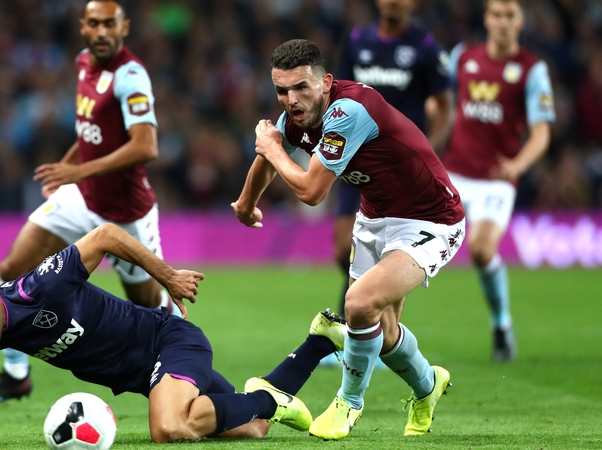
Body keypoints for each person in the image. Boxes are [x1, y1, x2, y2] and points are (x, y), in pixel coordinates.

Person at [0, 223, 348, 445]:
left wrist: (166, 276)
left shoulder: (42, 287)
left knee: (170, 429)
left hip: (170, 342)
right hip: (149, 376)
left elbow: (104, 235)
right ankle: (318, 340)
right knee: (250, 430)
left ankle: (269, 399)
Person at [231, 39, 466, 440]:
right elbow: (269, 156)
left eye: (301, 87)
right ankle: (428, 386)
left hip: (431, 220)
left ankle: (348, 404)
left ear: (325, 82)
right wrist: (245, 202)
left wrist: (271, 148)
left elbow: (311, 191)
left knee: (358, 304)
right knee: (383, 331)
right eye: (282, 91)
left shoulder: (347, 112)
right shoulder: (299, 115)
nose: (291, 99)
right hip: (375, 217)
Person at [0, 0, 177, 408]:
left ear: (124, 27)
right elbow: (91, 131)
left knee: (150, 308)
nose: (101, 32)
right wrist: (65, 168)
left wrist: (77, 173)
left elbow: (146, 145)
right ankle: (15, 375)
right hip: (81, 194)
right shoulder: (84, 63)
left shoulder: (130, 76)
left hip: (127, 211)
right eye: (94, 23)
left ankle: (182, 365)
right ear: (83, 26)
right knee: (12, 269)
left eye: (109, 25)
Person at [441, 0, 554, 362]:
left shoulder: (531, 70)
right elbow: (441, 106)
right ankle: (382, 335)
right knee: (407, 244)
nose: (503, 22)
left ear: (520, 21)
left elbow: (541, 132)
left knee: (481, 249)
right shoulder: (461, 57)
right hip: (453, 172)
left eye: (510, 15)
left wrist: (518, 164)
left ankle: (501, 323)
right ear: (487, 19)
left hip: (495, 179)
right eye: (497, 15)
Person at [331, 0, 454, 320]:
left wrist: (427, 149)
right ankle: (366, 318)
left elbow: (445, 107)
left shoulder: (425, 47)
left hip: (400, 168)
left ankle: (354, 325)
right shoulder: (358, 41)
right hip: (356, 160)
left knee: (387, 249)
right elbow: (337, 94)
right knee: (343, 247)